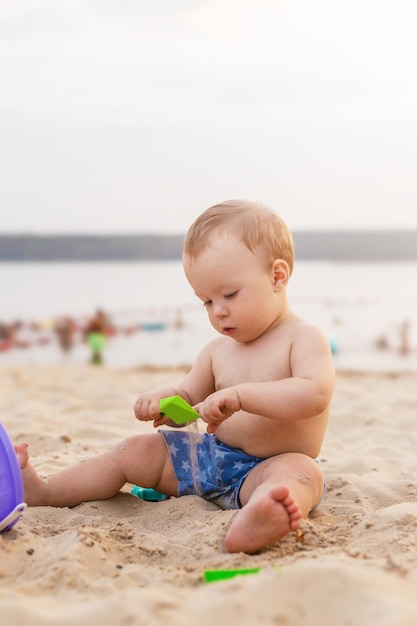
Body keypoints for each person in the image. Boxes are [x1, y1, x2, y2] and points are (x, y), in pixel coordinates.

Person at [15, 200, 335, 555]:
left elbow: (313, 394)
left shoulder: (303, 338)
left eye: (229, 294)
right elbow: (188, 396)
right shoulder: (217, 350)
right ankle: (45, 491)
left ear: (277, 276)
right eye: (207, 301)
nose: (219, 311)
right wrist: (165, 399)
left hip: (268, 466)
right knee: (132, 450)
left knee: (301, 475)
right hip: (209, 459)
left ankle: (261, 515)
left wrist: (242, 396)